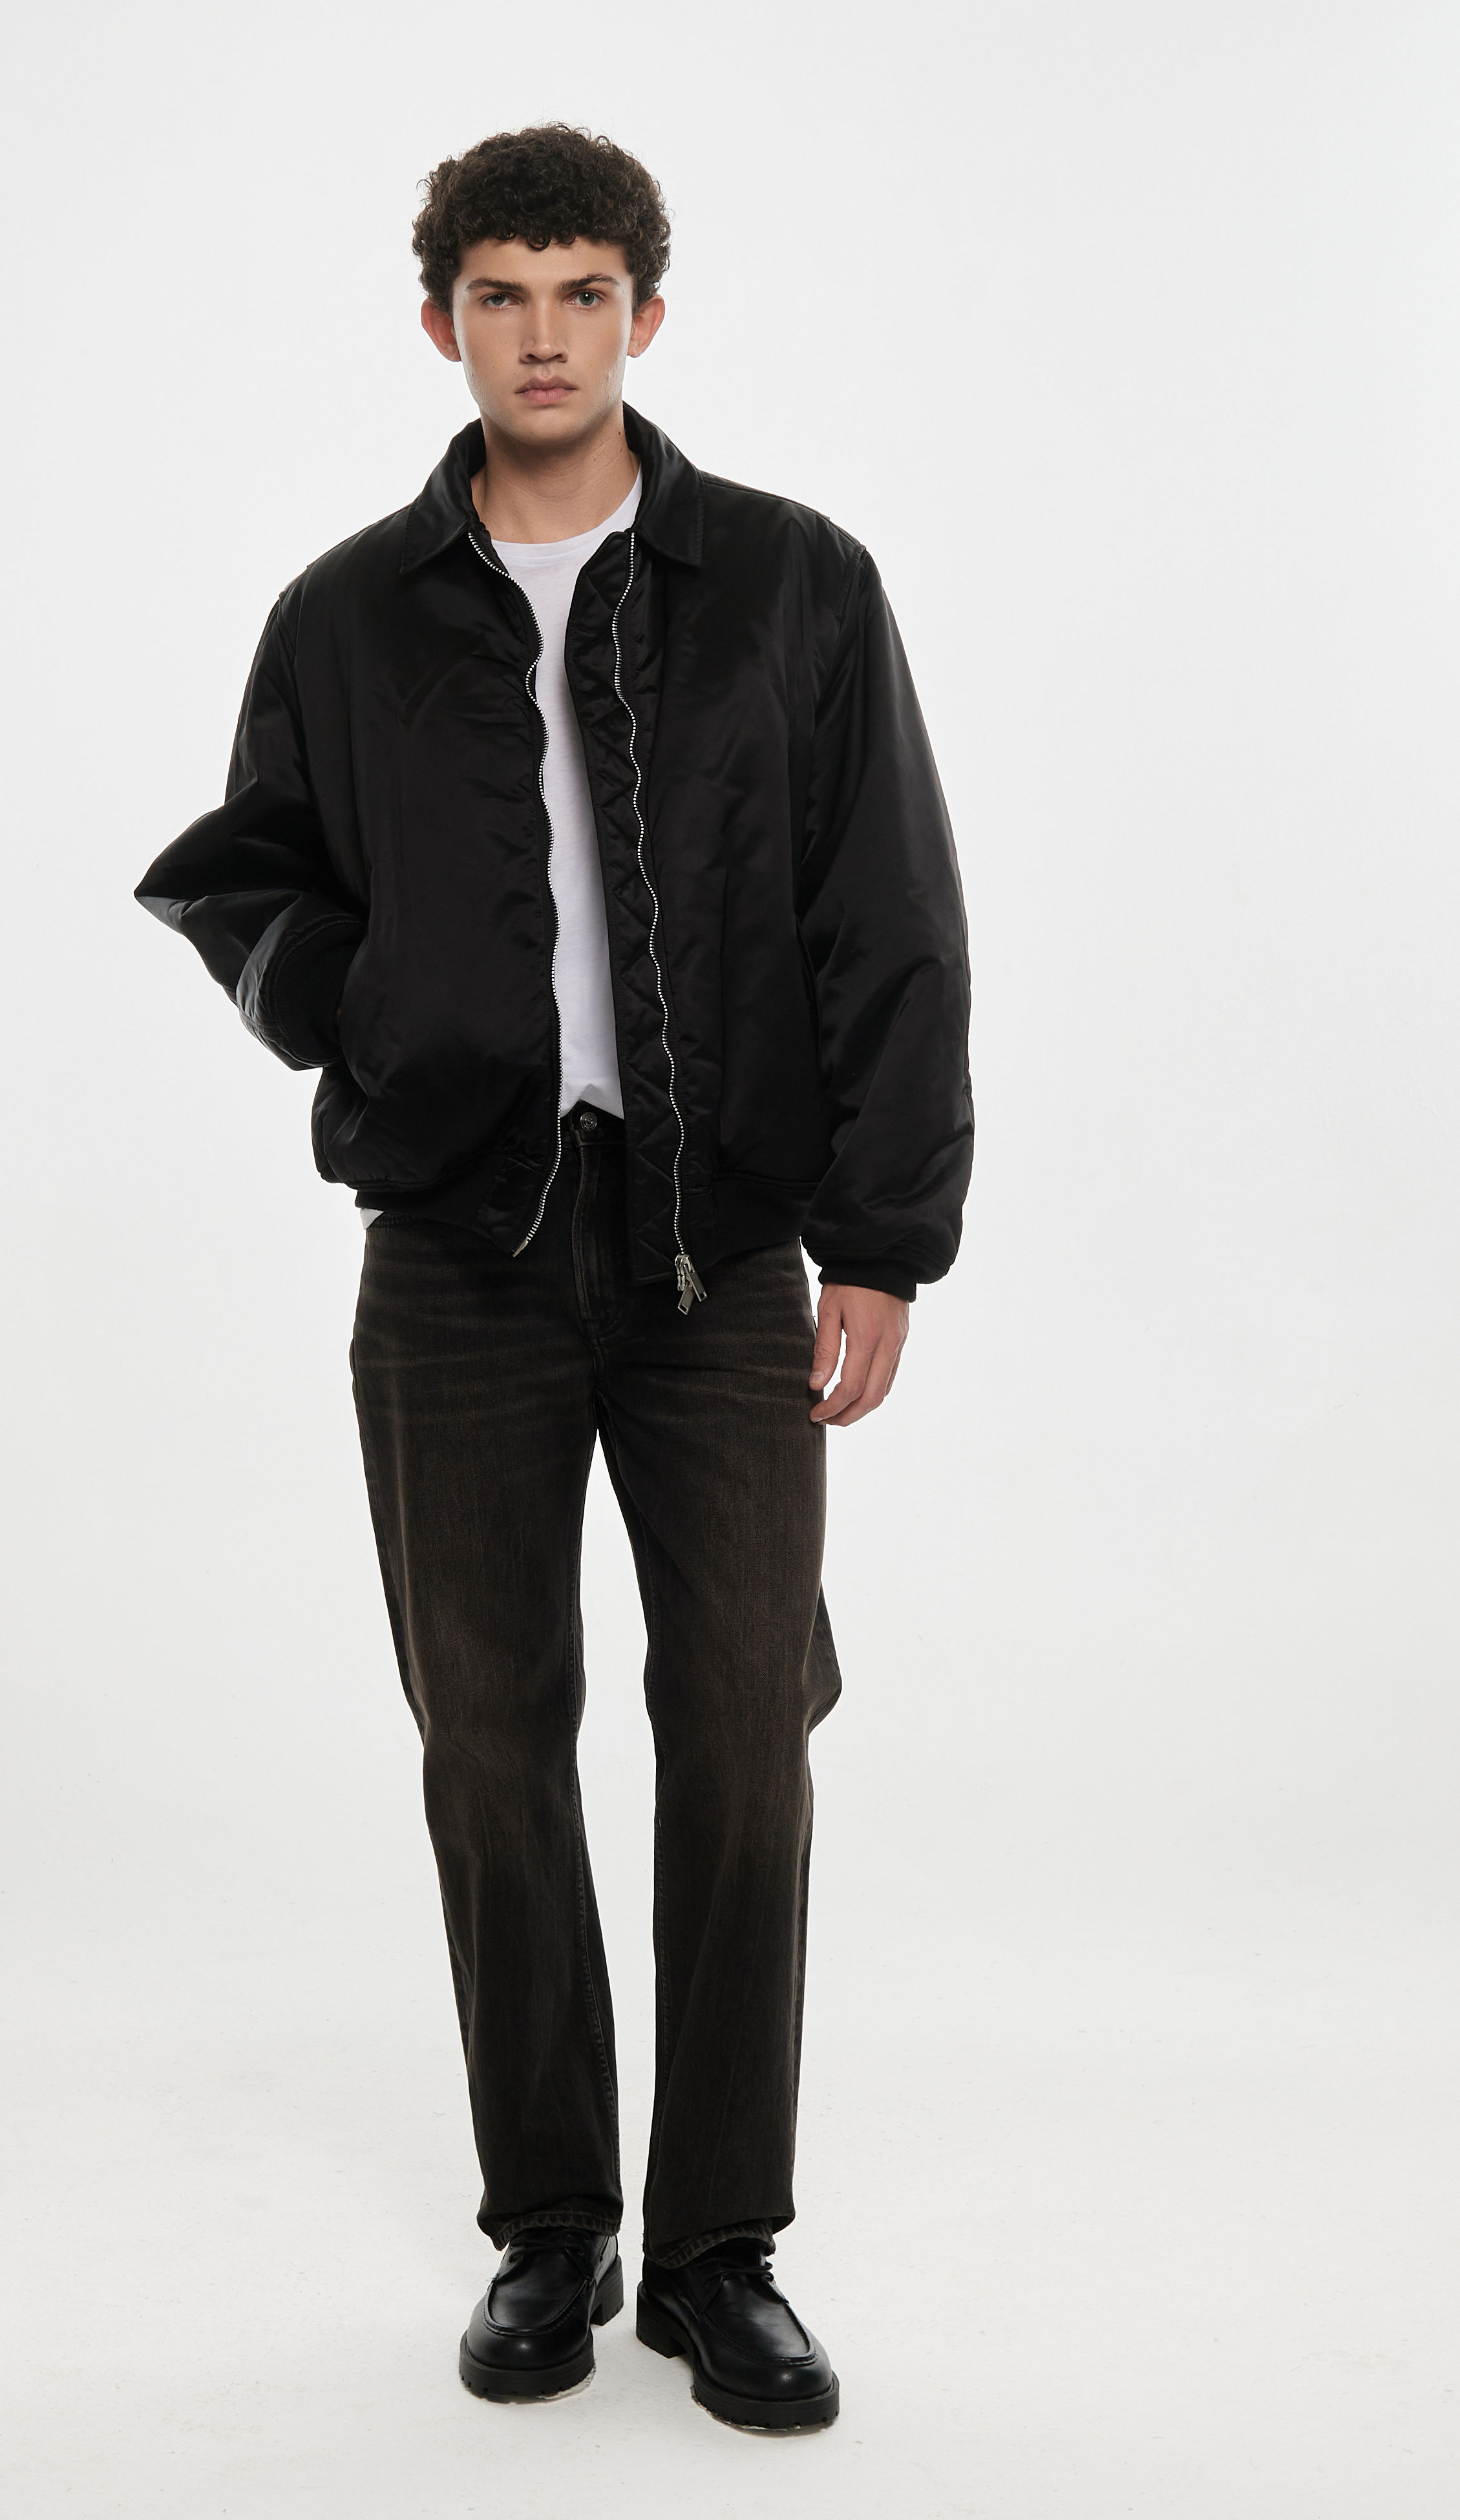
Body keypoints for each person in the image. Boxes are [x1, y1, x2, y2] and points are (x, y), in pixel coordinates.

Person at [136, 123, 972, 2433]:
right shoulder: (346, 615)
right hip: (457, 1253)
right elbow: (242, 876)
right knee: (490, 1744)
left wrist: (885, 1237)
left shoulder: (790, 586)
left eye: (581, 292)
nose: (540, 335)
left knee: (743, 1728)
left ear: (644, 317)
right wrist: (373, 1013)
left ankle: (716, 2251)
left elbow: (888, 916)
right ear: (440, 323)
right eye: (498, 294)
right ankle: (547, 2223)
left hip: (720, 1250)